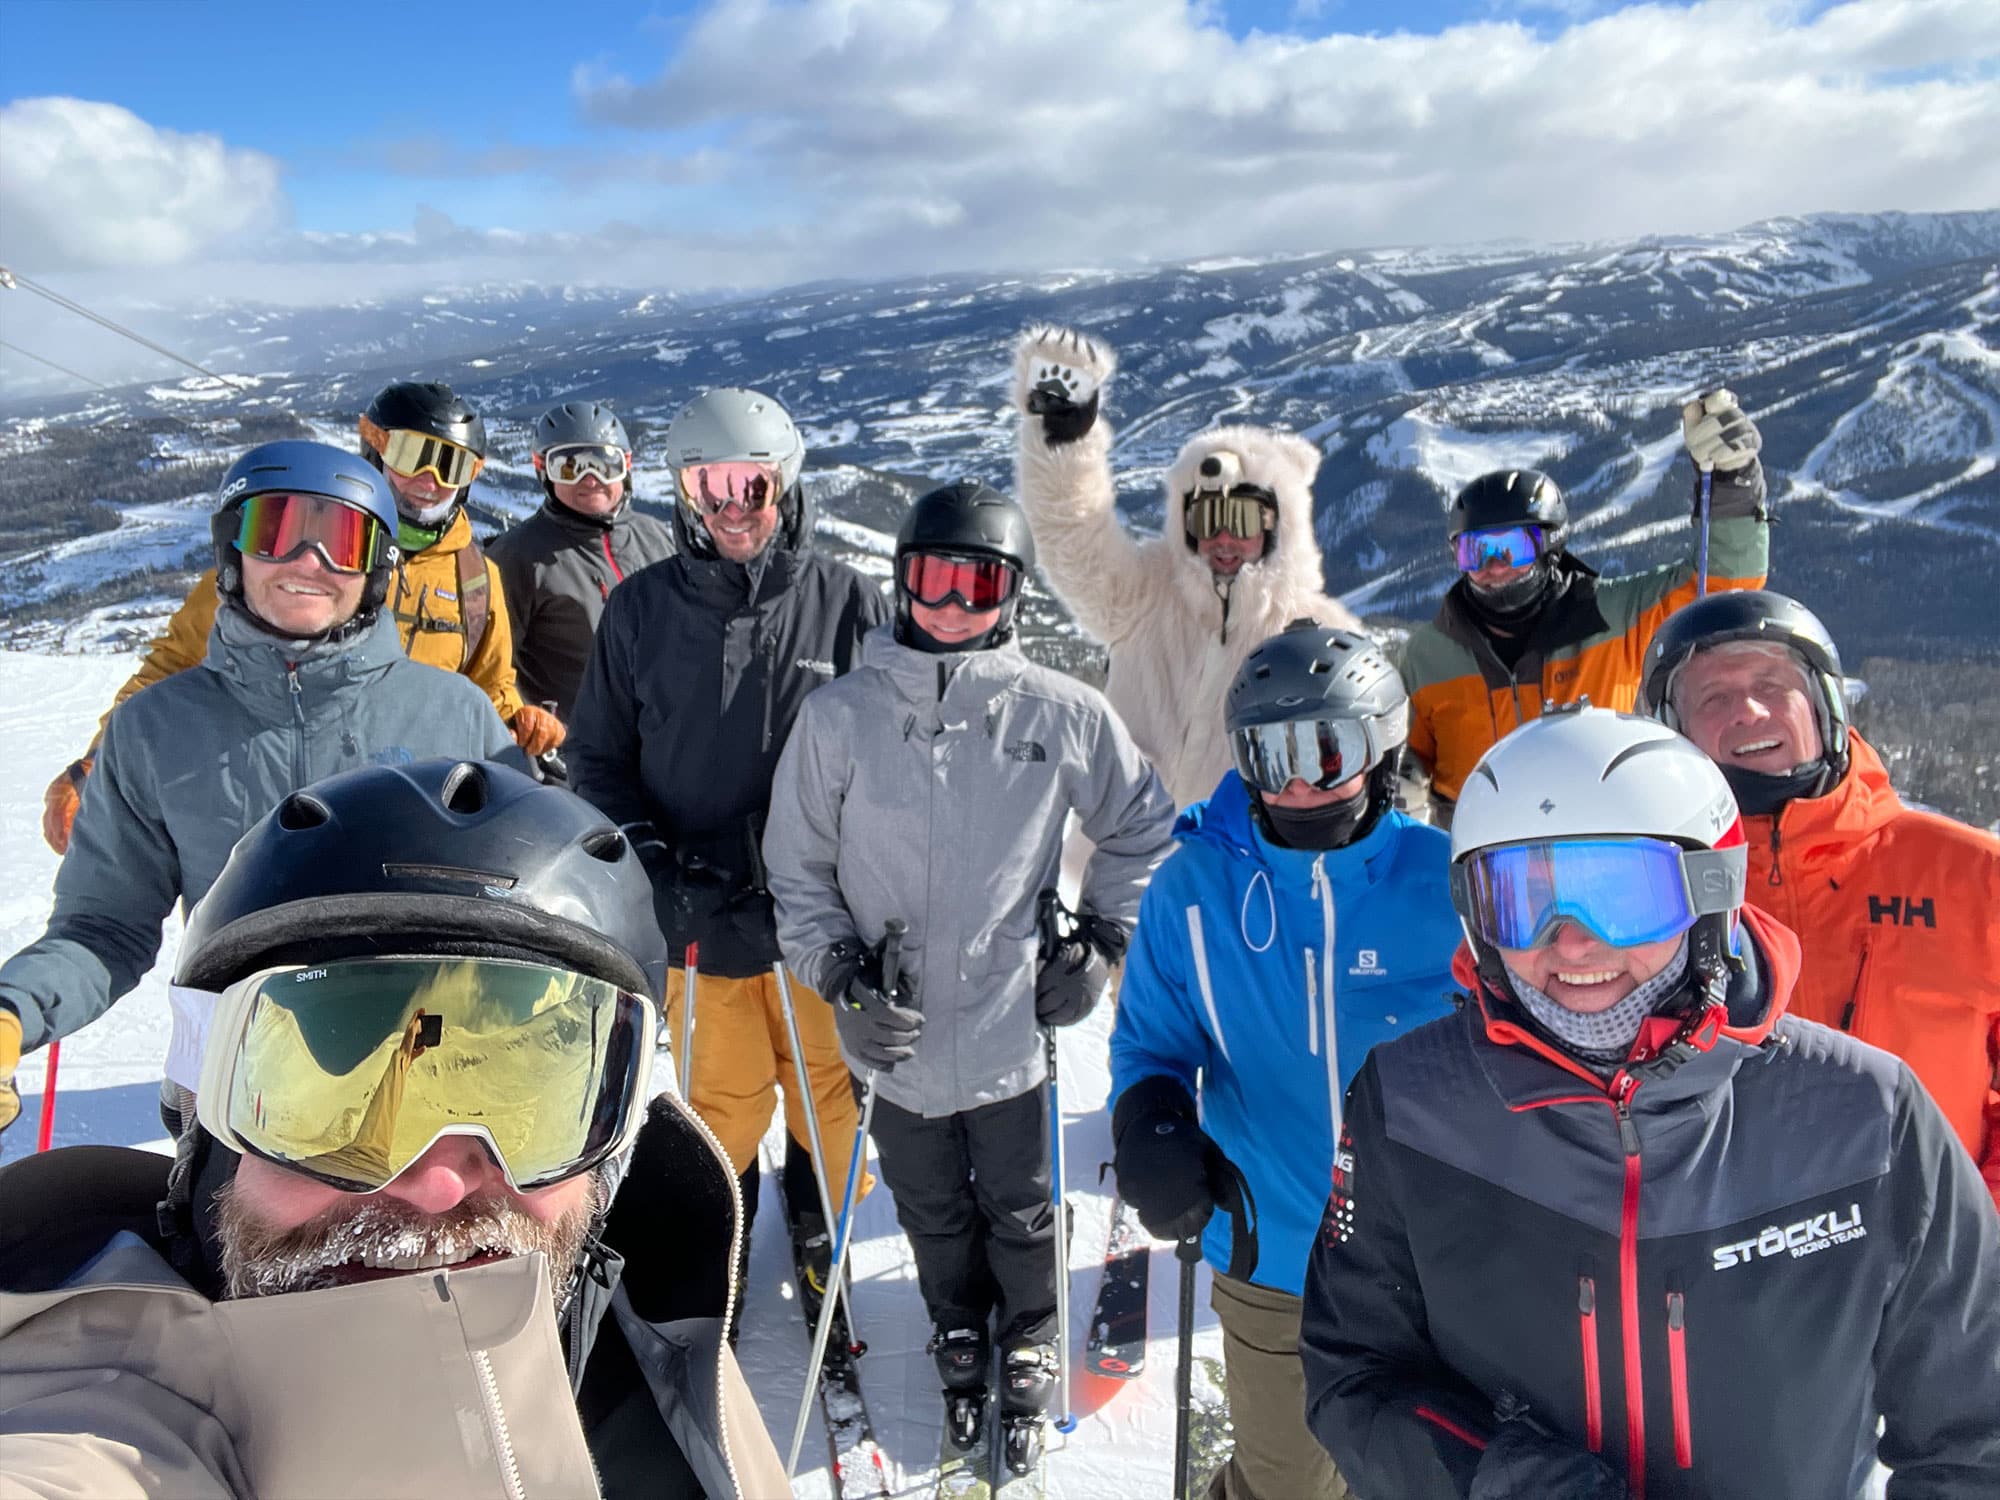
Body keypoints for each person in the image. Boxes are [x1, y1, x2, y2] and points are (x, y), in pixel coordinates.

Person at [0, 758, 789, 1498]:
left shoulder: (678, 1385)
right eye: (317, 1113)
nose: (438, 1183)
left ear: (611, 1152)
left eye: (529, 1103)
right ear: (207, 1128)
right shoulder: (90, 1417)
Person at [1298, 705, 2000, 1500]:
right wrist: (1507, 1483)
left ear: (1710, 893)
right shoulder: (1414, 1104)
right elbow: (1356, 1370)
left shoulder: (1865, 1116)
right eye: (1521, 900)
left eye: (1619, 893)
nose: (1570, 942)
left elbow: (1975, 1429)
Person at [765, 479, 1176, 1474]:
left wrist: (1103, 942)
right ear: (900, 584)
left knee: (1020, 1204)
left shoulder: (1059, 713)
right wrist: (839, 981)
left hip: (1006, 1029)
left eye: (978, 584)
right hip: (894, 1038)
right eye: (931, 580)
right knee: (929, 1207)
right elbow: (798, 872)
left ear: (1012, 596)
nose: (951, 606)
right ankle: (956, 1322)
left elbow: (1141, 827)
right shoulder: (838, 718)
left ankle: (1025, 1325)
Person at [0, 441, 520, 1147]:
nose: (309, 561)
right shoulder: (155, 729)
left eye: (342, 540)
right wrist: (13, 1012)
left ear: (376, 569)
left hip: (428, 1086)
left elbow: (525, 907)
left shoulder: (453, 716)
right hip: (234, 1091)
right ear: (232, 551)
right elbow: (104, 928)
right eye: (276, 532)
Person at [1108, 620, 1462, 1500]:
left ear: (1379, 750)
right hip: (1274, 1255)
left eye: (1329, 750)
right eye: (1273, 757)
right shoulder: (1194, 888)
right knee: (1290, 1485)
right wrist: (1152, 1122)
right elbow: (1151, 1041)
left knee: (1438, 1474)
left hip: (1443, 1258)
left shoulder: (1451, 880)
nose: (1301, 783)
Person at [566, 386, 887, 1339]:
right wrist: (657, 864)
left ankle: (822, 1220)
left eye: (755, 482)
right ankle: (729, 1226)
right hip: (701, 917)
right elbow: (599, 760)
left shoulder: (848, 604)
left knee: (832, 1092)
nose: (735, 505)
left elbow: (901, 751)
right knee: (724, 1098)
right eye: (713, 484)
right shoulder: (640, 612)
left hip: (824, 915)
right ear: (683, 494)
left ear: (788, 489)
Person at [38, 379, 546, 855]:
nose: (430, 482)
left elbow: (487, 687)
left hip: (417, 804)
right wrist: (97, 765)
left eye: (451, 466)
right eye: (414, 456)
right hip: (277, 784)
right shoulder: (292, 552)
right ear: (376, 447)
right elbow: (173, 666)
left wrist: (518, 725)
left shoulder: (474, 577)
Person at [1643, 588, 2000, 1206]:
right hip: (1740, 1268)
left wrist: (1978, 1227)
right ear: (1678, 734)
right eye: (1714, 698)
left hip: (1939, 1259)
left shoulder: (1971, 874)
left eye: (1771, 685)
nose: (1748, 709)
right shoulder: (1653, 893)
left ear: (1822, 704)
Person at [1012, 325, 1360, 810]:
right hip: (1124, 855)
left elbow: (1362, 747)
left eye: (1240, 519)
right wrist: (1064, 442)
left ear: (1279, 526)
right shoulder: (1145, 593)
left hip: (1240, 868)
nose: (1223, 538)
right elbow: (1072, 534)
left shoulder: (1317, 635)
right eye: (1206, 518)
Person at [1398, 389, 1771, 827]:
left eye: (1511, 549)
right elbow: (1406, 750)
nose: (1492, 568)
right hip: (1478, 850)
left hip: (1600, 833)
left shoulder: (1610, 618)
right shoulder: (1427, 655)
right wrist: (1404, 780)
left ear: (1550, 546)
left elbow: (1723, 585)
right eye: (1474, 553)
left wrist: (1732, 483)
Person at [487, 399, 676, 738]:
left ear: (627, 465)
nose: (590, 479)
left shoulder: (655, 536)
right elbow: (491, 669)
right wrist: (530, 733)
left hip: (666, 741)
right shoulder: (517, 557)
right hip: (579, 757)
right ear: (542, 469)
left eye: (605, 464)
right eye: (570, 467)